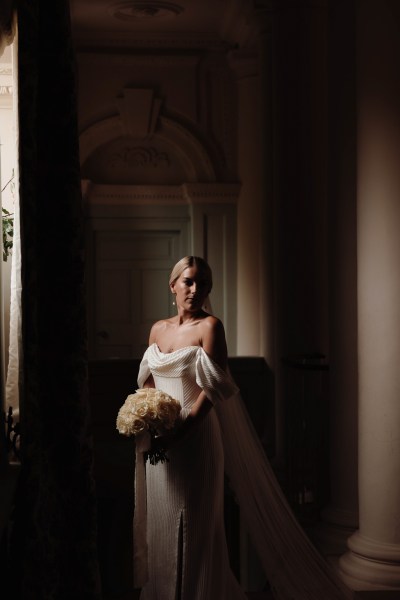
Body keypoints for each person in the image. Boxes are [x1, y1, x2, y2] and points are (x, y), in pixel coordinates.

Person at [134, 256, 353, 600]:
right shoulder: (157, 329)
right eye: (189, 281)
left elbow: (213, 390)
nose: (196, 289)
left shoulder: (210, 327)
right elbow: (148, 383)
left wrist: (180, 433)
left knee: (195, 528)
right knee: (161, 527)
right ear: (172, 284)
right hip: (160, 441)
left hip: (196, 440)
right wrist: (147, 419)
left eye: (203, 283)